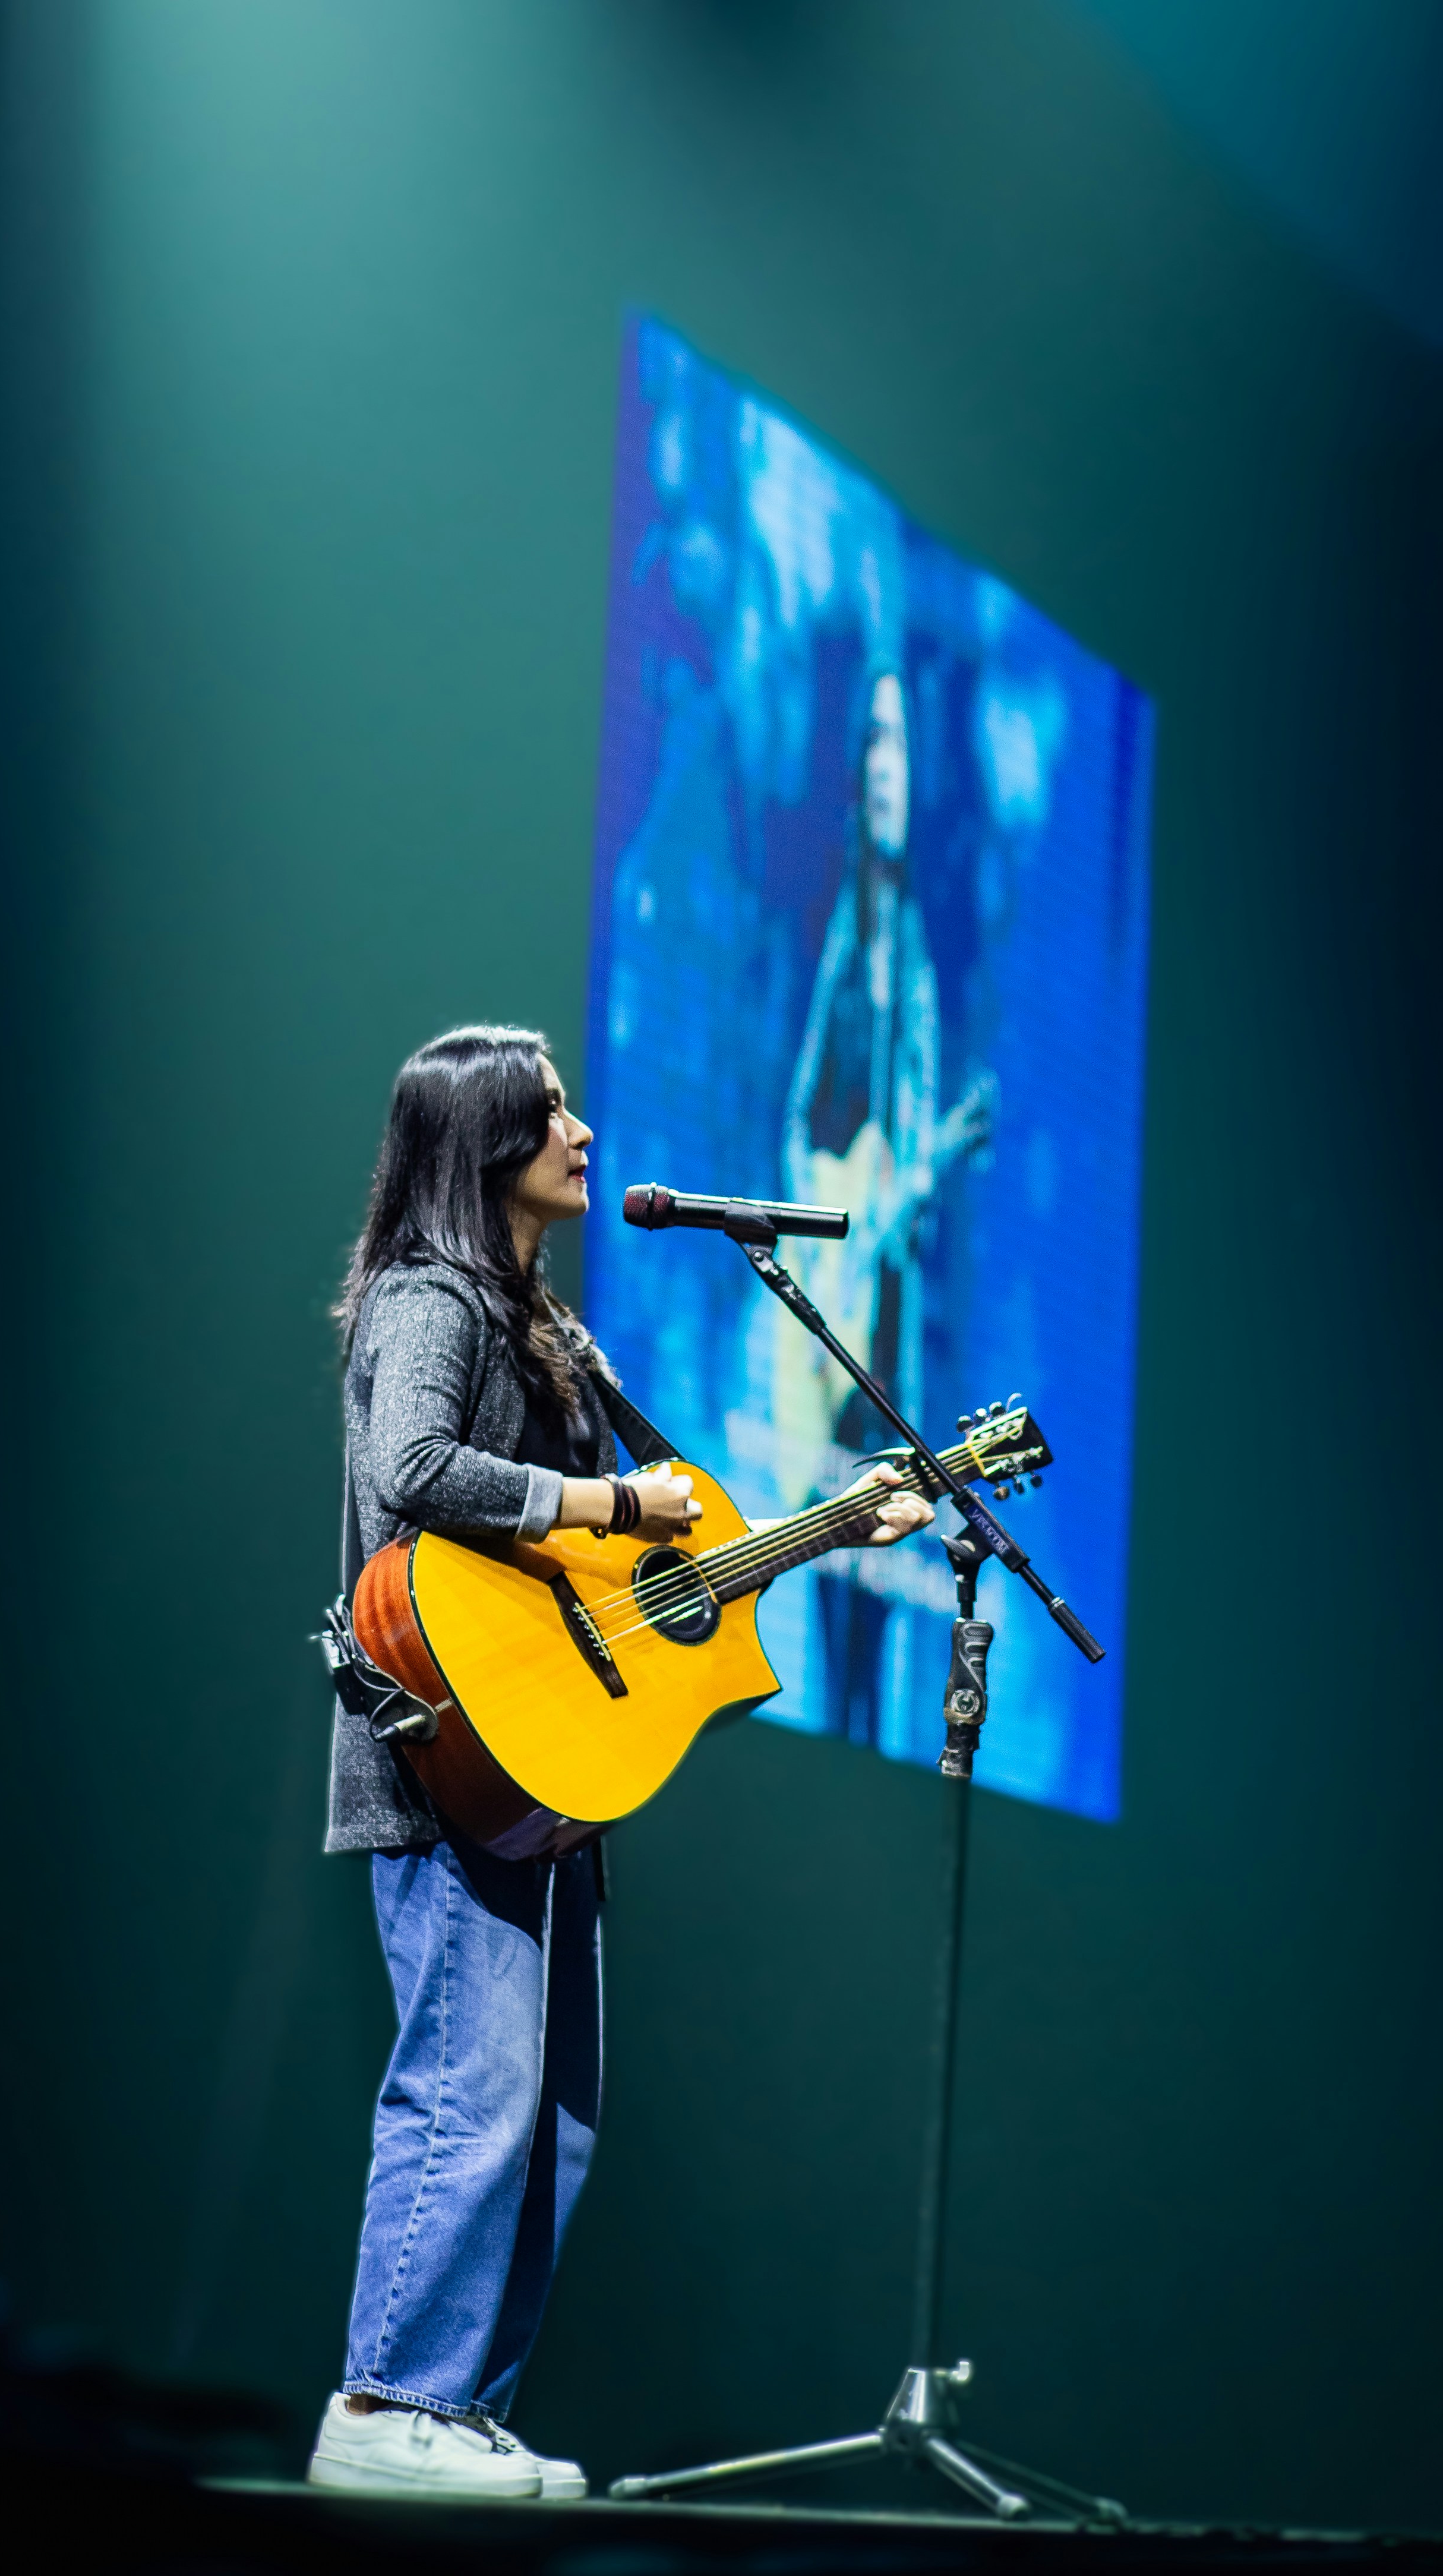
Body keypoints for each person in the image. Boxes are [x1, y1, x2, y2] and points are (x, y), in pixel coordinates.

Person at [314, 1021, 918, 2501]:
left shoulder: (547, 1325)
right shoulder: (430, 1299)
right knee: (468, 2089)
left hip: (548, 1773)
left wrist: (835, 1521)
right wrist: (605, 1502)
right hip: (447, 1753)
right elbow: (410, 1475)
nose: (581, 1130)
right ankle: (382, 2402)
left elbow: (660, 1555)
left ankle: (455, 2419)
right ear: (484, 1144)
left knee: (553, 2118)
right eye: (552, 1111)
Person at [777, 661, 994, 1743]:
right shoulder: (844, 924)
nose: (889, 769)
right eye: (874, 742)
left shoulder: (914, 944)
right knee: (830, 1567)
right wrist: (822, 1272)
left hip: (889, 1329)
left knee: (883, 1575)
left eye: (904, 746)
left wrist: (932, 1168)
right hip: (842, 1320)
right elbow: (807, 1116)